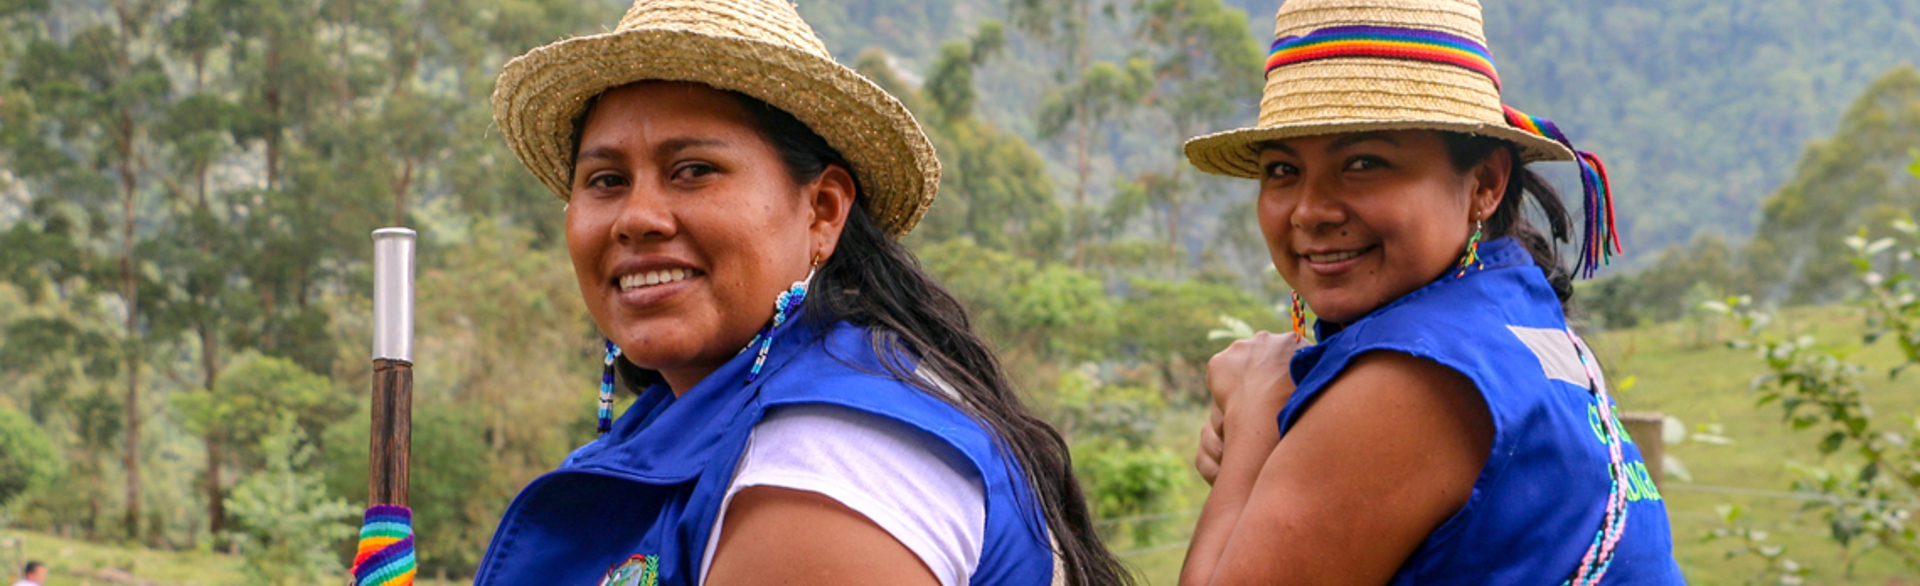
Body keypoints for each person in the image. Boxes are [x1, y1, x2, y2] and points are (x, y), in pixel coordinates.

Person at [474, 0, 1130, 585]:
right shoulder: (719, 417)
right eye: (606, 180)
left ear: (822, 211)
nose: (637, 217)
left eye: (694, 170)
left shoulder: (826, 463)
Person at [1178, 0, 1687, 584]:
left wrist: (1254, 418)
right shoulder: (1514, 306)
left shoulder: (1410, 381)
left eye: (1364, 162)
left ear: (1485, 182)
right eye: (1282, 171)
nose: (1310, 211)